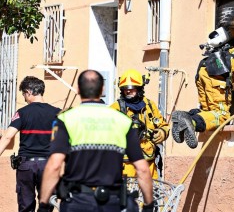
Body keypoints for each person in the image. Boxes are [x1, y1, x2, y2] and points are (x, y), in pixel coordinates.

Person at [38, 69, 154, 212]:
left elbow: (54, 165)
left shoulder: (66, 119)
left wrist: (43, 205)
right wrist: (149, 205)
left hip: (77, 202)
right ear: (103, 89)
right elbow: (142, 169)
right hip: (113, 202)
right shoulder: (122, 120)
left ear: (78, 90)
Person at [172, 27, 234, 149]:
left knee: (208, 111)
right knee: (221, 115)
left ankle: (186, 116)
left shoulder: (213, 54)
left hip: (203, 70)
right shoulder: (233, 56)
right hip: (215, 79)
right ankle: (193, 122)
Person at [0, 76, 61, 212]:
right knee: (47, 205)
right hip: (48, 166)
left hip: (26, 166)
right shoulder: (57, 113)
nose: (24, 99)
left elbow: (7, 137)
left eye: (24, 94)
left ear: (29, 92)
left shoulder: (22, 113)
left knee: (25, 205)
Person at [110, 69, 170, 179]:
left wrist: (162, 132)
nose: (128, 91)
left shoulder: (149, 106)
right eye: (125, 89)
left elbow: (163, 125)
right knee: (128, 194)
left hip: (149, 162)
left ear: (139, 88)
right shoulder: (115, 109)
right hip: (126, 164)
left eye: (132, 88)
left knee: (152, 194)